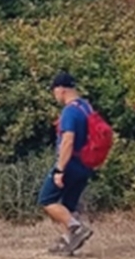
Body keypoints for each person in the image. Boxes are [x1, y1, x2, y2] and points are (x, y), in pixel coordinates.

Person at [41, 72, 95, 256]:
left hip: (70, 164)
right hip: (85, 164)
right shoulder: (86, 107)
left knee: (47, 200)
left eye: (54, 91)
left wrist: (59, 170)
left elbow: (68, 142)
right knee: (68, 206)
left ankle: (76, 228)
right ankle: (67, 243)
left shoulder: (70, 111)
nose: (54, 95)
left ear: (61, 89)